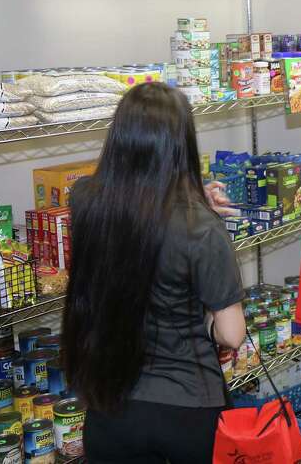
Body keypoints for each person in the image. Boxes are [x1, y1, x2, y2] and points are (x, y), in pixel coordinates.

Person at [61, 83, 246, 464]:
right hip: (187, 406)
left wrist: (193, 199)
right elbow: (232, 333)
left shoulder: (84, 202)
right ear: (182, 144)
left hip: (109, 402)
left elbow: (138, 215)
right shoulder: (201, 228)